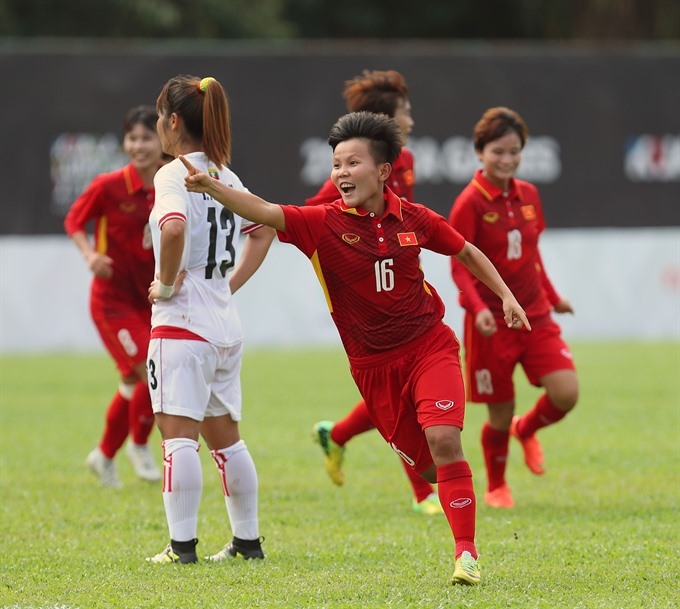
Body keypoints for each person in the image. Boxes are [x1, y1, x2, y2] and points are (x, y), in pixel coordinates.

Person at [180, 110, 532, 585]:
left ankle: (466, 555)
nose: (341, 174)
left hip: (431, 345)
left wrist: (507, 296)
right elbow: (263, 211)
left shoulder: (415, 218)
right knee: (431, 470)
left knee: (446, 440)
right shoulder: (319, 224)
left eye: (352, 163)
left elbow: (466, 250)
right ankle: (442, 494)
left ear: (384, 171)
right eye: (336, 165)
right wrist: (213, 187)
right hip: (373, 369)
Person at [144, 74, 275, 565]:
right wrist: (228, 284)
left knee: (178, 436)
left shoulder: (172, 173)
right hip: (225, 326)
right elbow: (262, 231)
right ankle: (247, 541)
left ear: (173, 121)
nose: (159, 125)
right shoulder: (226, 174)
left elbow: (173, 226)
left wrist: (166, 282)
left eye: (160, 116)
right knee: (227, 440)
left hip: (183, 325)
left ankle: (182, 548)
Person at [307, 69, 442, 515]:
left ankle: (337, 434)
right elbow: (311, 216)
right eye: (406, 113)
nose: (412, 121)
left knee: (414, 386)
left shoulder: (405, 163)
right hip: (366, 300)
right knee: (401, 392)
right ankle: (424, 493)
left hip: (406, 289)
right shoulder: (352, 173)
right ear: (386, 119)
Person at [448, 106, 578, 509]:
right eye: (498, 151)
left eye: (514, 151)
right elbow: (459, 264)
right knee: (499, 414)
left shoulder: (529, 196)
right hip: (490, 322)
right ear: (480, 152)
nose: (506, 159)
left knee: (566, 392)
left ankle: (529, 428)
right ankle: (497, 486)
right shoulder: (469, 203)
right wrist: (477, 308)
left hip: (534, 314)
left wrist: (553, 297)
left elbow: (533, 257)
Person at [64, 105, 166, 488]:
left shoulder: (171, 183)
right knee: (149, 372)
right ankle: (139, 445)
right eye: (132, 138)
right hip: (112, 302)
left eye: (146, 138)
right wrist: (91, 255)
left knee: (133, 384)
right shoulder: (108, 186)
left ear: (163, 141)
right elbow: (74, 220)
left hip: (153, 301)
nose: (139, 146)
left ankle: (104, 455)